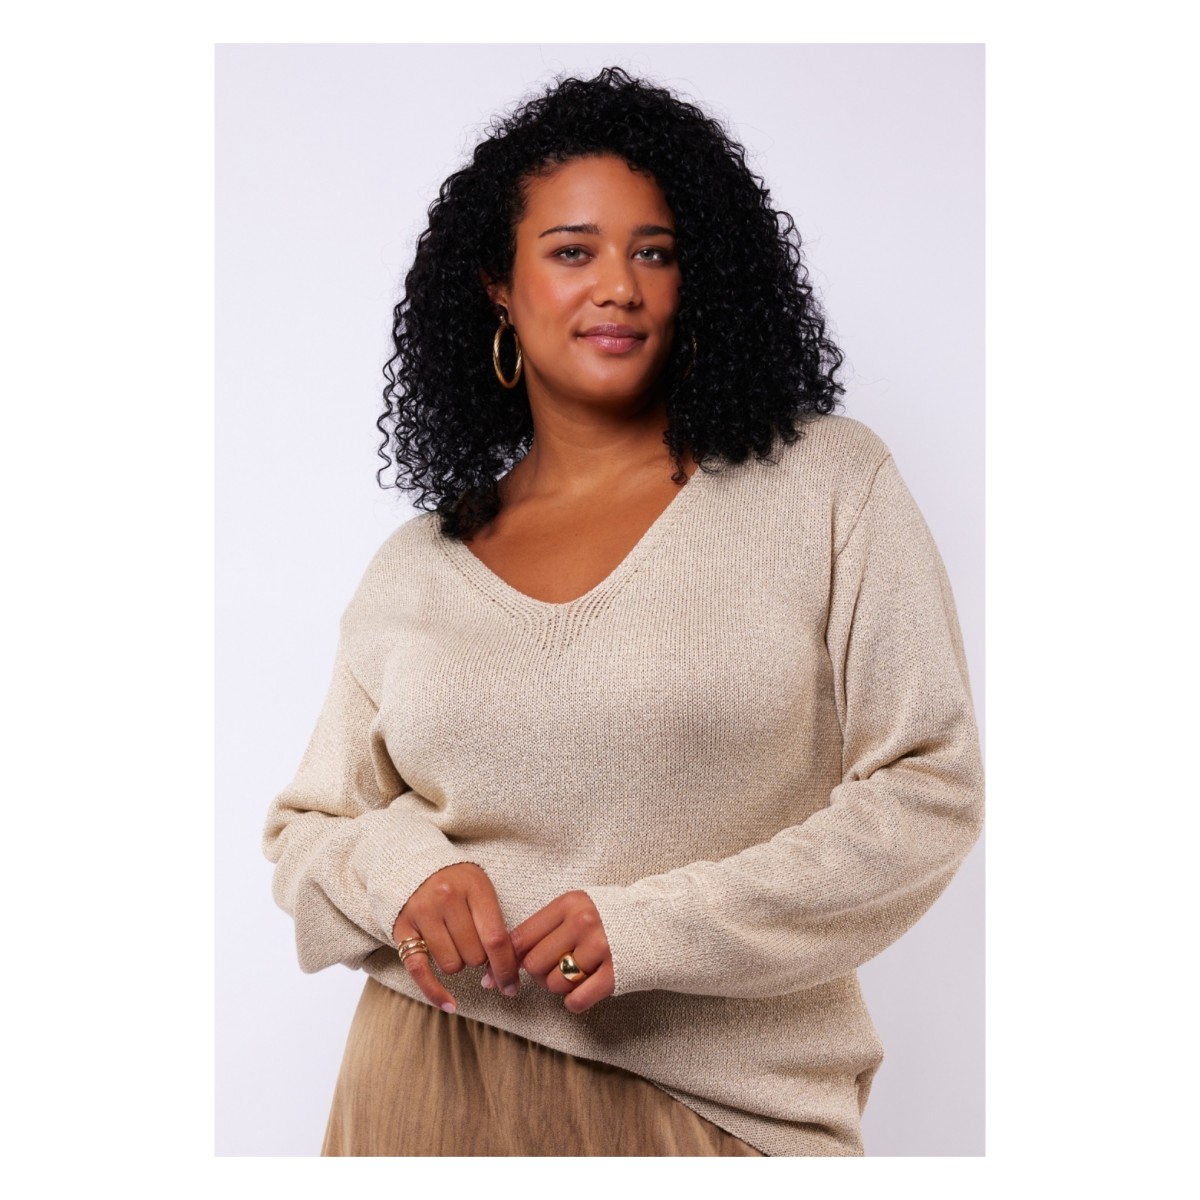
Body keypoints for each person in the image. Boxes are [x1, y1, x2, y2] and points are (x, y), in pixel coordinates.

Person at [262, 66, 984, 1157]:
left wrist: (653, 928)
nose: (619, 287)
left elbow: (930, 788)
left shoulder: (829, 487)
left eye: (655, 252)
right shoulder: (416, 568)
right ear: (499, 286)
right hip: (421, 1084)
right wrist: (408, 876)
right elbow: (310, 827)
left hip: (721, 1113)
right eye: (572, 252)